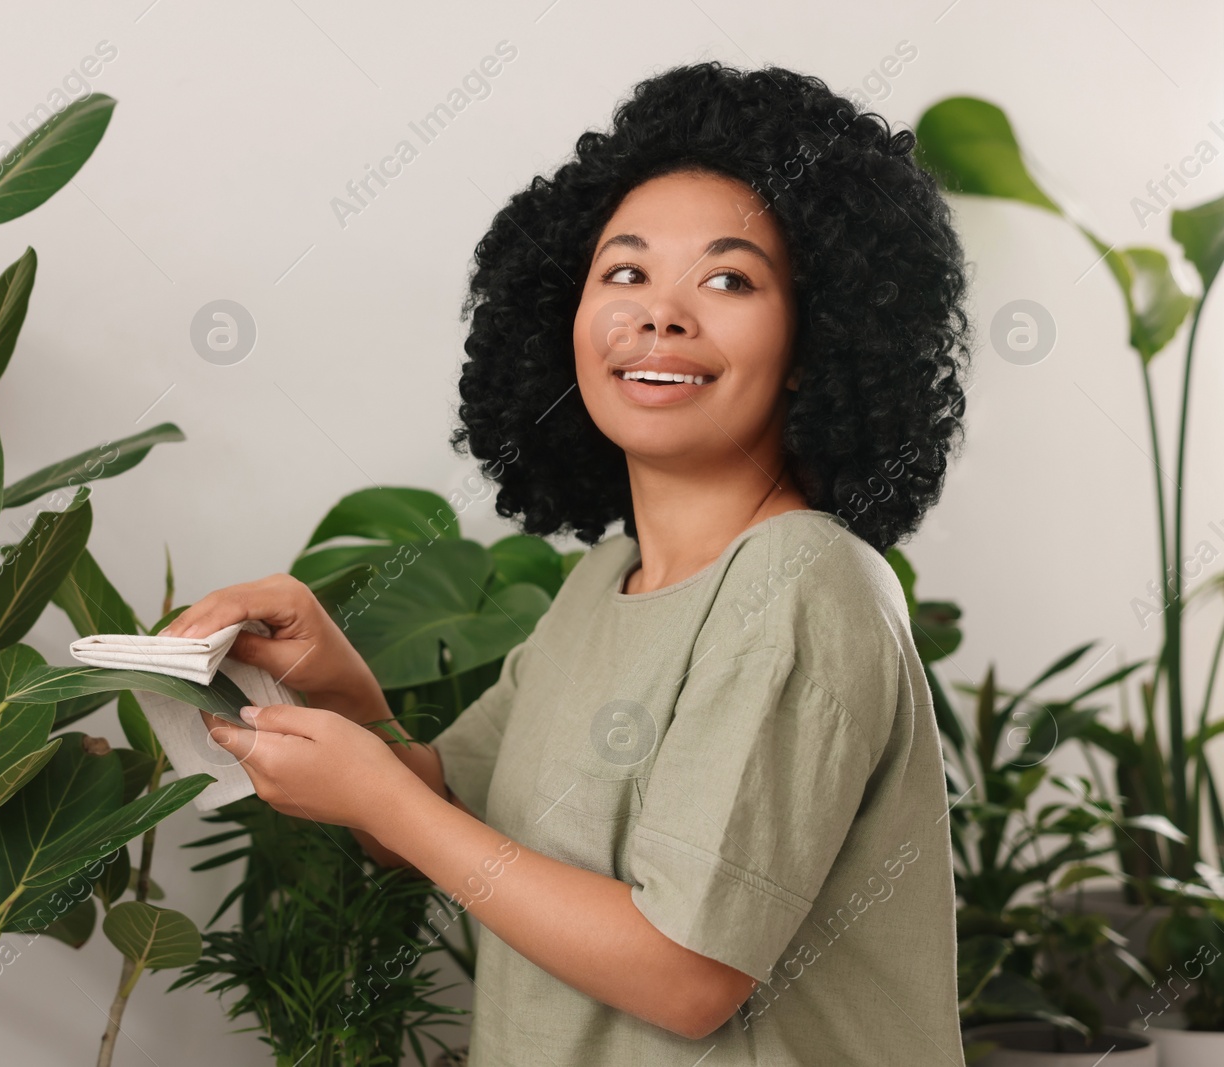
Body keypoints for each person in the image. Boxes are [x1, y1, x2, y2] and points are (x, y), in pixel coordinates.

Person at [160, 59, 972, 1065]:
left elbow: (686, 973)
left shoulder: (800, 583)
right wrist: (331, 690)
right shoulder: (605, 582)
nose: (659, 313)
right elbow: (434, 815)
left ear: (818, 338)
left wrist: (386, 796)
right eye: (624, 271)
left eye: (728, 278)